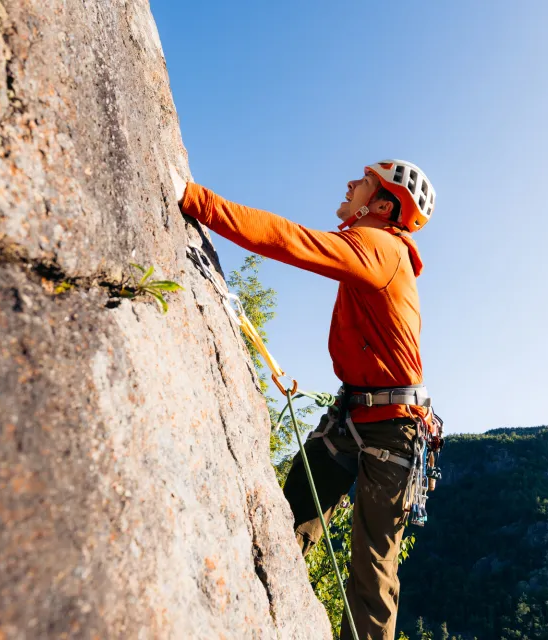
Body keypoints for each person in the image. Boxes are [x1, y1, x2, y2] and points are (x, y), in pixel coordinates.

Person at [171, 160, 437, 640]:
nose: (351, 184)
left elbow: (291, 240)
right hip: (356, 412)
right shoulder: (374, 250)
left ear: (382, 206)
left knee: (373, 570)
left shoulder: (379, 247)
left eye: (365, 182)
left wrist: (198, 201)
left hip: (392, 427)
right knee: (289, 521)